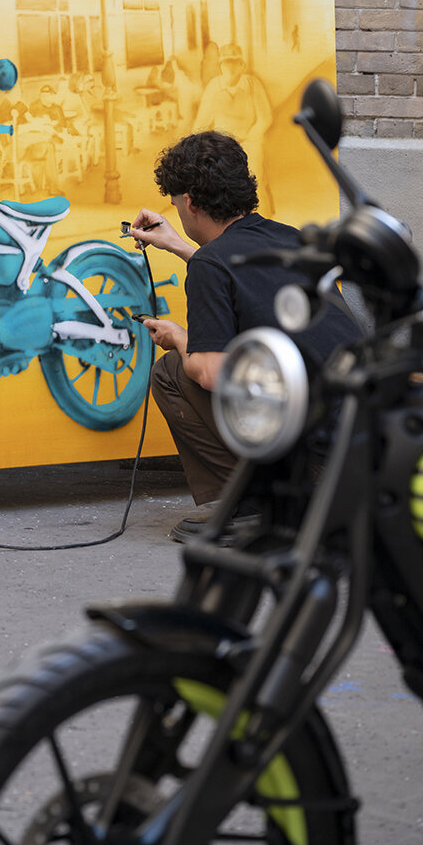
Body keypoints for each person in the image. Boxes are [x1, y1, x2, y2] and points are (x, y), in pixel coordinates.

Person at [127, 130, 359, 543]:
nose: (179, 212)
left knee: (172, 372)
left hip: (319, 461)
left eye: (177, 204)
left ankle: (260, 505)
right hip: (359, 446)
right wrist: (180, 246)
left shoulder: (211, 267)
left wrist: (180, 338)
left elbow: (212, 374)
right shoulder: (291, 237)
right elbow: (244, 277)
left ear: (192, 204)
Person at [193, 43, 274, 213]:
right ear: (220, 66)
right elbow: (201, 124)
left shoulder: (252, 85)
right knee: (220, 186)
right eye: (225, 63)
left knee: (254, 183)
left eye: (234, 63)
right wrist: (205, 147)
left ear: (241, 65)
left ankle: (261, 225)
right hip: (222, 145)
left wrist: (251, 137)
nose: (229, 67)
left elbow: (265, 117)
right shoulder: (214, 87)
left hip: (249, 142)